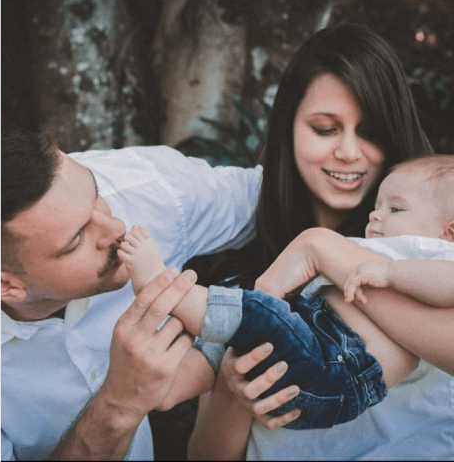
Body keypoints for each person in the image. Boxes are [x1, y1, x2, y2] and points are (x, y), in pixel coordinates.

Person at [186, 24, 454, 460]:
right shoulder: (246, 276)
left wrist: (323, 253)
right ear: (289, 129)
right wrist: (233, 394)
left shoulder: (433, 239)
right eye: (326, 129)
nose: (349, 152)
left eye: (370, 132)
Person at [119, 153, 454, 431]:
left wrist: (388, 271)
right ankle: (170, 385)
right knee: (242, 332)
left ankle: (166, 290)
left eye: (395, 210)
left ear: (449, 230)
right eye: (377, 206)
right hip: (320, 349)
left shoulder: (431, 253)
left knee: (261, 316)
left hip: (340, 371)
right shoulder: (367, 249)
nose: (377, 215)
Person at [0, 126, 263, 460]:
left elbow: (273, 195)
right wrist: (119, 404)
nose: (116, 227)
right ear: (8, 285)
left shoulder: (146, 188)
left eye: (97, 195)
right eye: (78, 239)